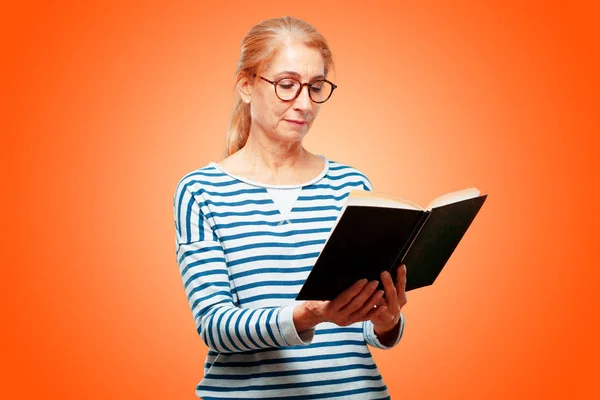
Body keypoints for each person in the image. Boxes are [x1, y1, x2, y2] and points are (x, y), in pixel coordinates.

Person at [173, 16, 408, 399]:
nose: (304, 104)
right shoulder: (202, 191)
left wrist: (386, 320)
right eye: (286, 85)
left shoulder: (351, 186)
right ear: (247, 87)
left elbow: (363, 324)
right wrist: (307, 315)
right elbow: (215, 325)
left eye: (316, 88)